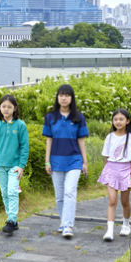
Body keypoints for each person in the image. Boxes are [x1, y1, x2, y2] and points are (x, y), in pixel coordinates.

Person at [43, 84, 89, 239]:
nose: (64, 98)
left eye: (67, 95)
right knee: (60, 196)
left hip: (74, 160)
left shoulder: (78, 117)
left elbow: (81, 141)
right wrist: (47, 161)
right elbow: (49, 140)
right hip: (56, 161)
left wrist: (85, 162)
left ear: (71, 98)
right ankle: (63, 223)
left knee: (70, 192)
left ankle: (68, 225)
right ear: (57, 97)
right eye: (61, 95)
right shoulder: (50, 117)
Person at [0, 94, 29, 235]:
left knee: (12, 191)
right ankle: (12, 220)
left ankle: (11, 220)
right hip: (1, 166)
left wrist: (21, 165)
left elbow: (24, 147)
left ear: (15, 108)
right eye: (3, 106)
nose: (6, 109)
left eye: (9, 107)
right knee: (5, 193)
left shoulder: (20, 125)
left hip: (15, 166)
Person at [98, 108, 131, 241]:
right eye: (115, 119)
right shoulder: (109, 137)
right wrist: (107, 171)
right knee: (112, 201)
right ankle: (109, 231)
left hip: (125, 171)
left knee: (124, 202)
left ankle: (126, 224)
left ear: (127, 121)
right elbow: (106, 157)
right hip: (111, 170)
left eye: (121, 119)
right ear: (112, 121)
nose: (118, 122)